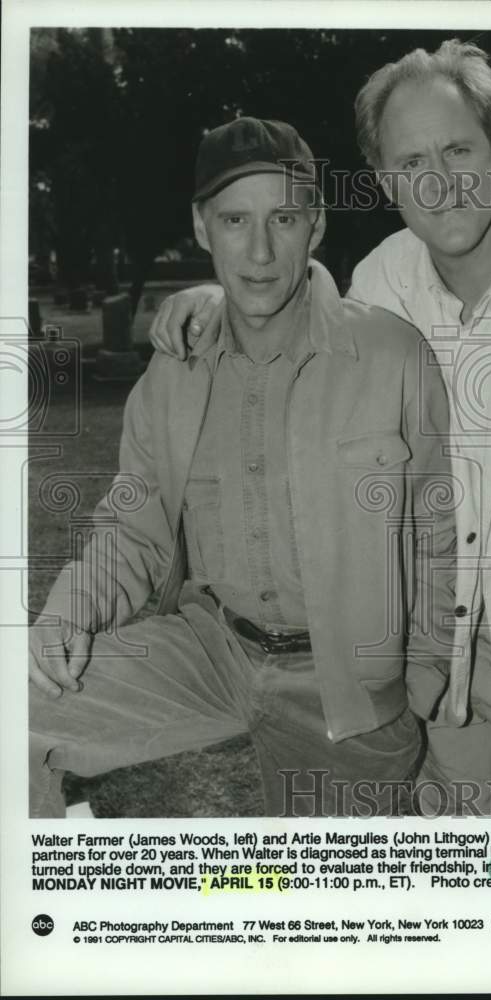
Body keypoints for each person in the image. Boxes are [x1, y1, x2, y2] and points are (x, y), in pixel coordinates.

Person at [149, 41, 491, 816]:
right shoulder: (381, 281)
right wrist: (216, 295)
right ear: (383, 178)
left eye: (457, 150)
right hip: (430, 679)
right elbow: (290, 306)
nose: (439, 184)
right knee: (444, 909)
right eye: (411, 162)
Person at [29, 116, 456, 819]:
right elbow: (134, 531)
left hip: (345, 689)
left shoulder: (391, 356)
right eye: (234, 220)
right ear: (202, 228)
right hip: (210, 648)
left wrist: (423, 676)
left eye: (283, 218)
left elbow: (438, 534)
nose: (259, 250)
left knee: (318, 914)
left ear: (313, 226)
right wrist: (67, 609)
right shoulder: (173, 372)